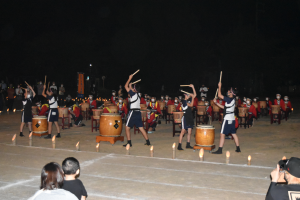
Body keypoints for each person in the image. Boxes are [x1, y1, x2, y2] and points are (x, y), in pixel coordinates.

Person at [212, 82, 241, 154]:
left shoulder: (229, 99)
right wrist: (216, 103)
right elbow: (224, 107)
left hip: (227, 119)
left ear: (232, 93)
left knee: (222, 134)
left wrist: (219, 86)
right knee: (233, 133)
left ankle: (220, 150)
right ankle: (238, 148)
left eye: (229, 91)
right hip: (232, 119)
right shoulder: (232, 100)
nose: (228, 92)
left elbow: (219, 95)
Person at [123, 74, 151, 147]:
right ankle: (148, 141)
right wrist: (131, 86)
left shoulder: (133, 94)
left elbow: (125, 87)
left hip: (133, 112)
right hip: (138, 112)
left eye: (133, 88)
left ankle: (129, 142)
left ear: (134, 89)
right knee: (141, 128)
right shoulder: (138, 94)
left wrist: (129, 79)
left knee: (127, 127)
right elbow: (130, 90)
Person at [178, 84, 196, 150]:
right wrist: (193, 97)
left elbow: (195, 95)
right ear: (185, 95)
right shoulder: (184, 101)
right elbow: (191, 105)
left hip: (190, 117)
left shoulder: (188, 100)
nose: (189, 96)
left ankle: (188, 144)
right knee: (182, 132)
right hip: (185, 117)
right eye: (188, 95)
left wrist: (193, 87)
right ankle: (179, 145)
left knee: (190, 132)